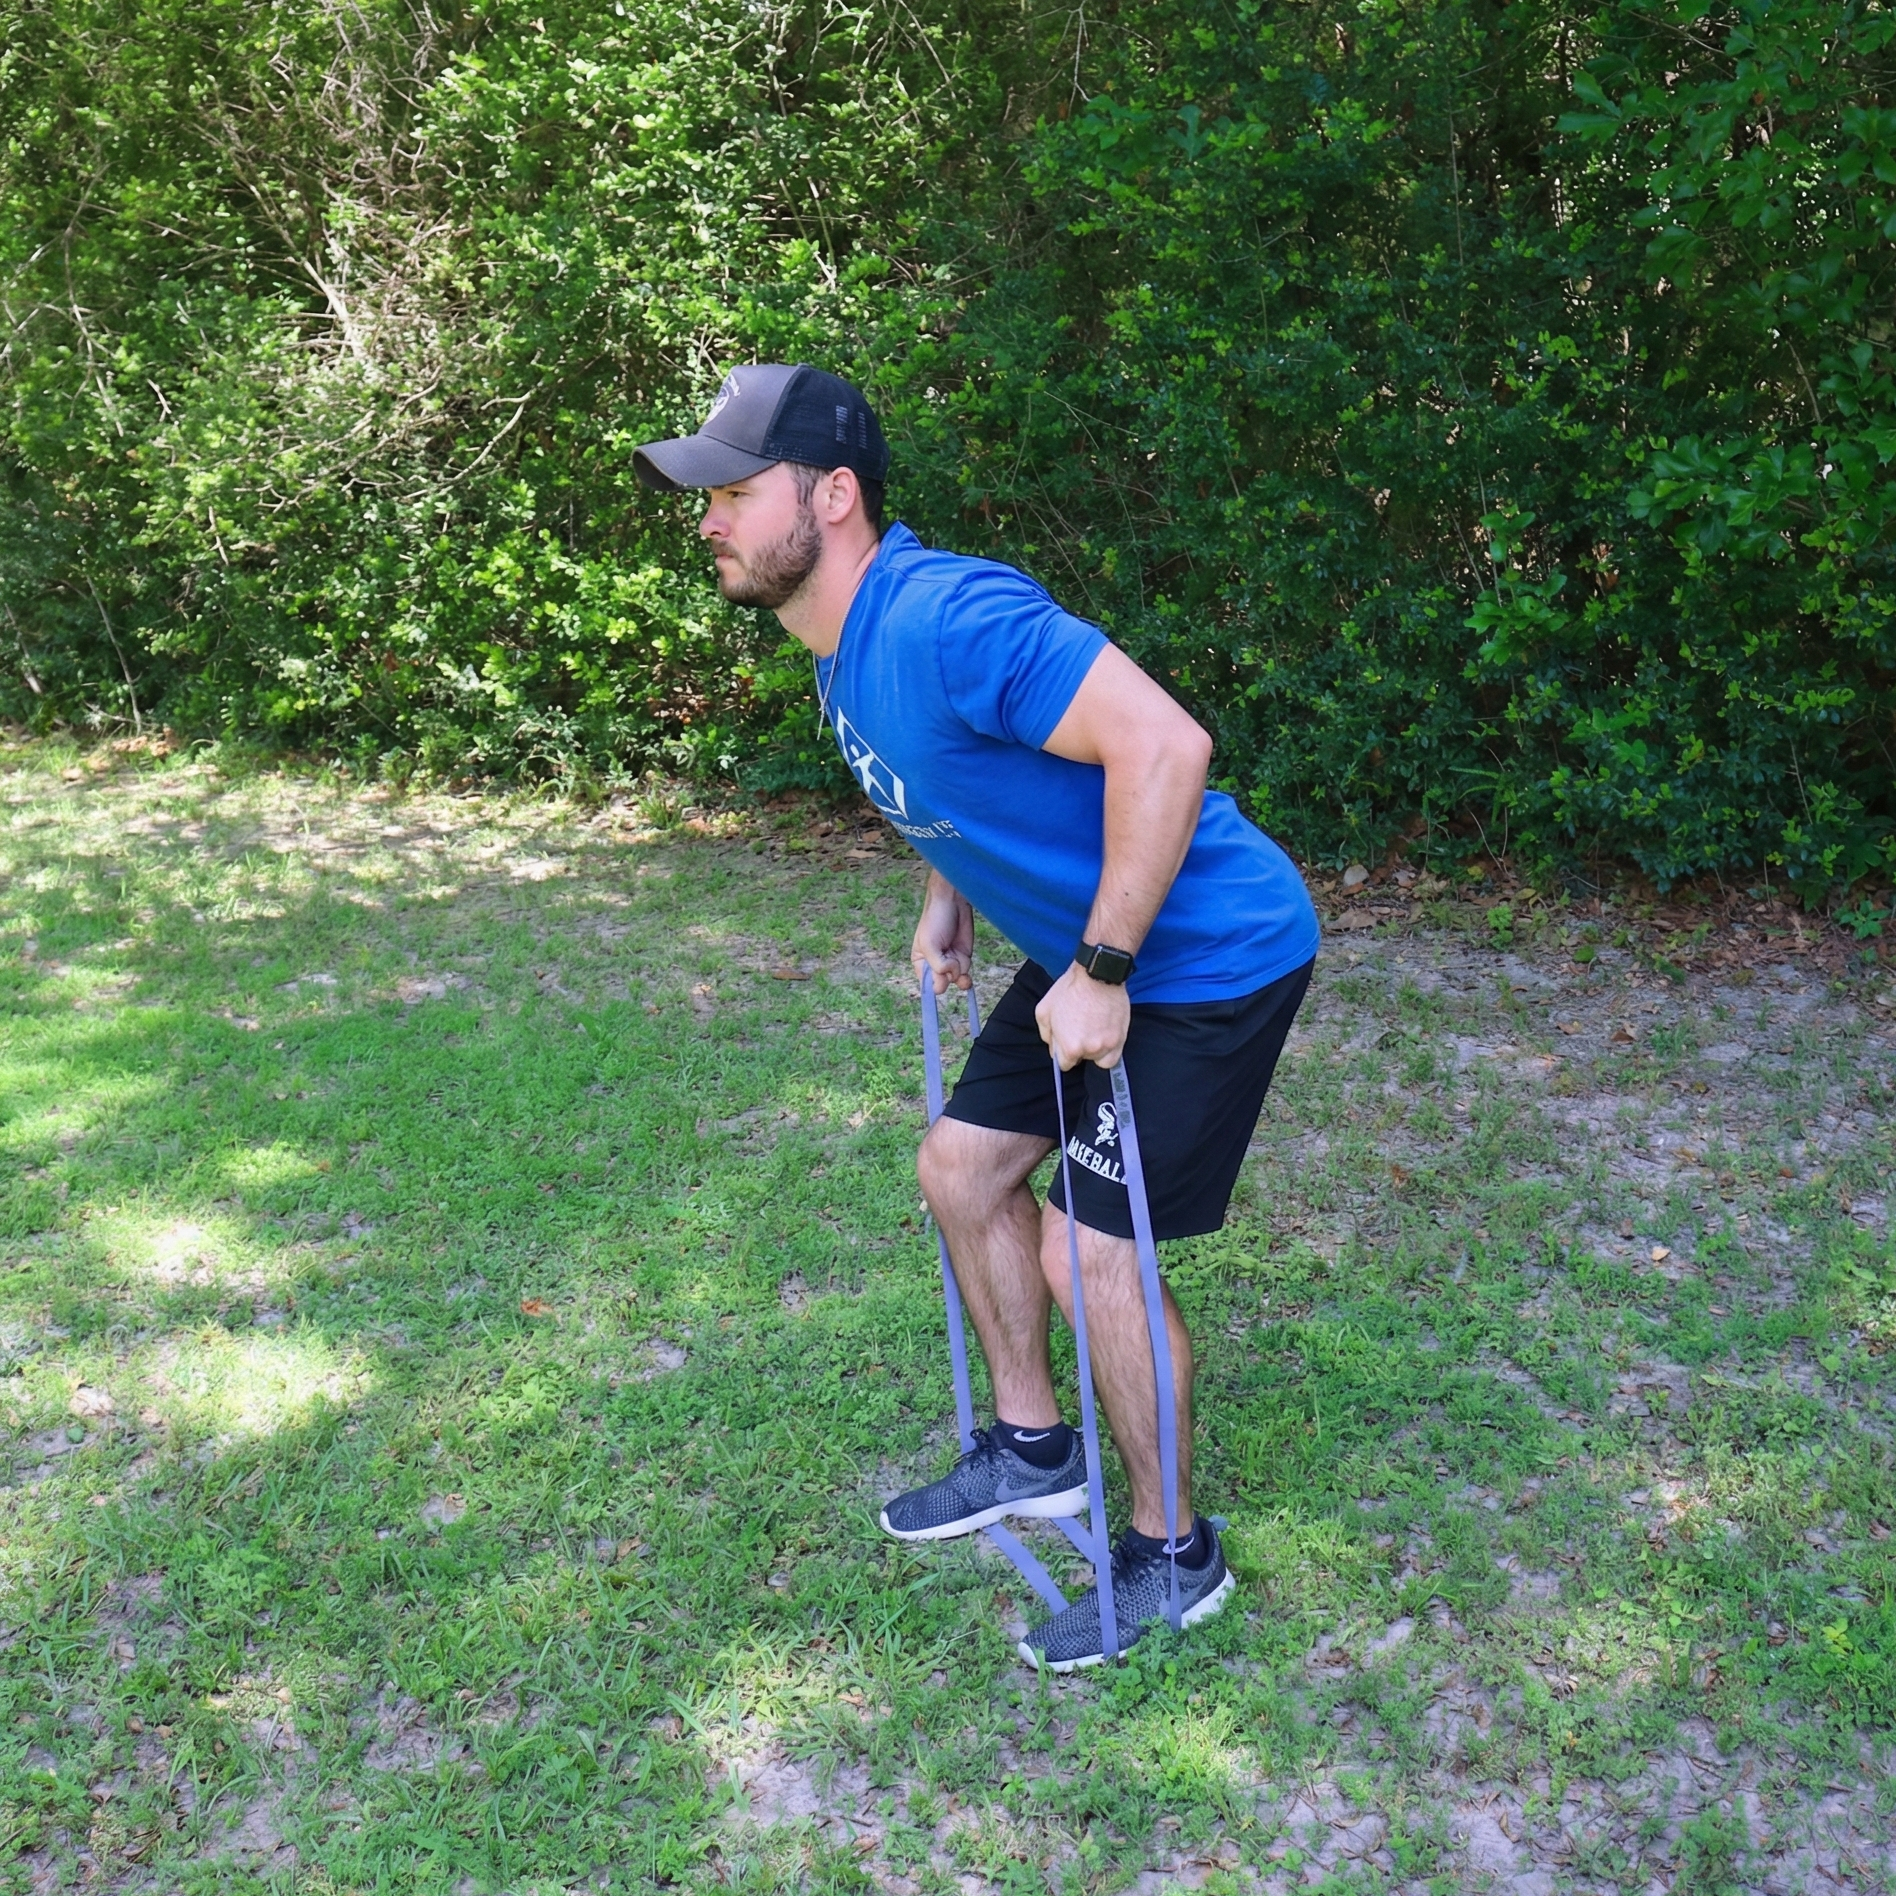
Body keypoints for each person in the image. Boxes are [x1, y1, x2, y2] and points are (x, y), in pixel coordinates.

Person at [636, 363, 1318, 1671]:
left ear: (832, 497)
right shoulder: (840, 649)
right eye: (703, 495)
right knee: (958, 1169)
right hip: (1092, 951)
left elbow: (1167, 747)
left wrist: (1107, 969)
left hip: (1206, 951)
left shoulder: (947, 615)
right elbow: (965, 777)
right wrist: (948, 899)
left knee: (1089, 1251)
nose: (708, 518)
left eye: (732, 490)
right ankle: (1031, 1451)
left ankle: (1176, 1555)